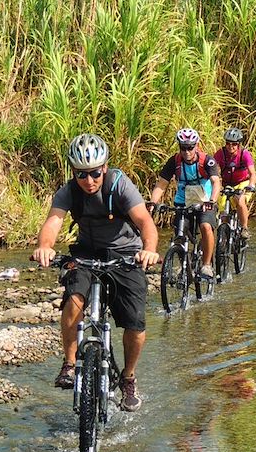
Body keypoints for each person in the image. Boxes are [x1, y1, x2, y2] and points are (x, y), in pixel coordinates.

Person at [32, 133, 160, 412]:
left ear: (104, 168)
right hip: (86, 253)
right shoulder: (69, 191)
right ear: (73, 172)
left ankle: (128, 377)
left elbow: (145, 222)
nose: (89, 181)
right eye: (81, 174)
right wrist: (44, 247)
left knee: (135, 323)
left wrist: (148, 250)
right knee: (73, 300)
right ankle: (69, 363)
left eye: (94, 173)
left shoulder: (119, 185)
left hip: (126, 255)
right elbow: (53, 222)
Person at [147, 128, 222, 278]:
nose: (187, 151)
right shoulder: (174, 161)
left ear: (196, 145)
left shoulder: (207, 160)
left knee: (206, 227)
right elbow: (162, 184)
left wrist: (212, 200)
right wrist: (153, 203)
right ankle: (184, 267)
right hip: (183, 202)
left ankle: (206, 265)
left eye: (190, 147)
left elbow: (216, 182)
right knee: (179, 235)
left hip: (204, 201)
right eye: (183, 148)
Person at [214, 127, 256, 238]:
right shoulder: (220, 153)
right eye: (228, 143)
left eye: (234, 144)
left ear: (238, 145)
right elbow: (212, 169)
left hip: (243, 183)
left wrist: (251, 185)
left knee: (240, 200)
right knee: (222, 208)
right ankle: (224, 236)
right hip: (227, 184)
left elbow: (252, 173)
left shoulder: (244, 154)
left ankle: (244, 228)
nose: (230, 147)